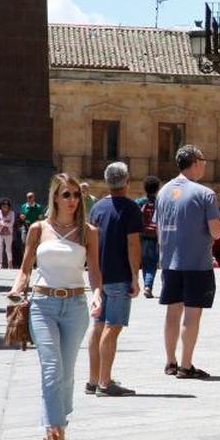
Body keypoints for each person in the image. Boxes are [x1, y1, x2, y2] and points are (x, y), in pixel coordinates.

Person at [8, 173, 102, 440]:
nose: (73, 200)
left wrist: (97, 293)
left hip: (75, 305)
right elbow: (25, 267)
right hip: (43, 303)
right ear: (55, 197)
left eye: (75, 195)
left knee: (67, 372)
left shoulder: (88, 231)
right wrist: (17, 286)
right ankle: (52, 435)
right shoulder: (38, 229)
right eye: (66, 195)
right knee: (51, 368)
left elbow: (95, 270)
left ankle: (60, 422)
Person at [157, 144, 220, 379]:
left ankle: (170, 362)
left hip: (169, 263)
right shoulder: (205, 194)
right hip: (196, 263)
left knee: (172, 312)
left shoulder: (163, 192)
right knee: (192, 314)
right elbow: (216, 232)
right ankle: (186, 365)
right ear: (195, 161)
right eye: (203, 160)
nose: (205, 164)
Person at [85, 162, 141, 397]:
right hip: (119, 276)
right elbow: (133, 244)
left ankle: (93, 379)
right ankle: (105, 384)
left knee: (98, 326)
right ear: (127, 181)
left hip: (99, 275)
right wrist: (135, 277)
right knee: (113, 326)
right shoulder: (130, 208)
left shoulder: (97, 208)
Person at [136, 176, 161, 298]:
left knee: (144, 261)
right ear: (157, 189)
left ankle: (143, 285)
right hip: (154, 236)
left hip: (141, 236)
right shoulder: (160, 203)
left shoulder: (139, 202)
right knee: (151, 262)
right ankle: (148, 286)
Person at [0, 198, 17, 269]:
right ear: (1, 205)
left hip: (8, 233)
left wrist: (2, 223)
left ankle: (10, 263)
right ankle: (0, 264)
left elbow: (11, 223)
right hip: (0, 233)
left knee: (8, 249)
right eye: (3, 204)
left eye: (7, 204)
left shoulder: (11, 213)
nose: (5, 205)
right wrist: (5, 222)